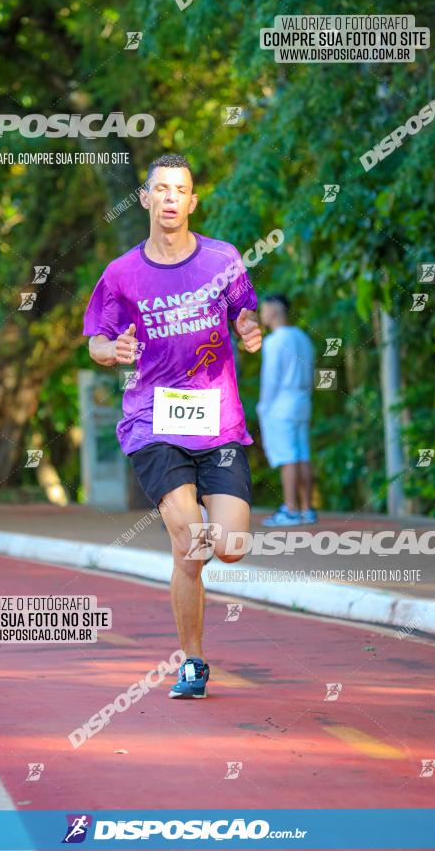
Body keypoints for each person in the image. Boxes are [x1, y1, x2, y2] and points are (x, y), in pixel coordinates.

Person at [83, 154, 262, 699]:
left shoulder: (223, 259)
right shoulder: (121, 273)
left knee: (228, 544)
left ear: (192, 201)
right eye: (159, 188)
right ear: (144, 198)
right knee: (190, 545)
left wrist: (249, 329)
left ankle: (210, 534)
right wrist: (110, 349)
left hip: (218, 421)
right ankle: (194, 663)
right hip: (152, 420)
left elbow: (244, 313)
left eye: (178, 189)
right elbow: (95, 339)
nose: (168, 198)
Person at [257, 294, 317, 526]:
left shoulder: (274, 341)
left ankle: (291, 509)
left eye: (264, 309)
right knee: (302, 453)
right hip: (302, 400)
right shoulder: (303, 338)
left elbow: (271, 379)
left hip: (281, 403)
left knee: (287, 456)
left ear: (275, 309)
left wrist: (264, 406)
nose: (262, 314)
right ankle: (307, 508)